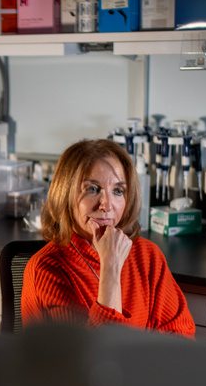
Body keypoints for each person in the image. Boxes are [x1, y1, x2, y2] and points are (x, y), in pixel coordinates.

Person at [21, 138, 195, 338]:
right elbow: (94, 359)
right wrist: (110, 266)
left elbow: (181, 339)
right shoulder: (46, 269)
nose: (106, 205)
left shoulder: (147, 256)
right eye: (93, 189)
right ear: (65, 194)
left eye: (118, 191)